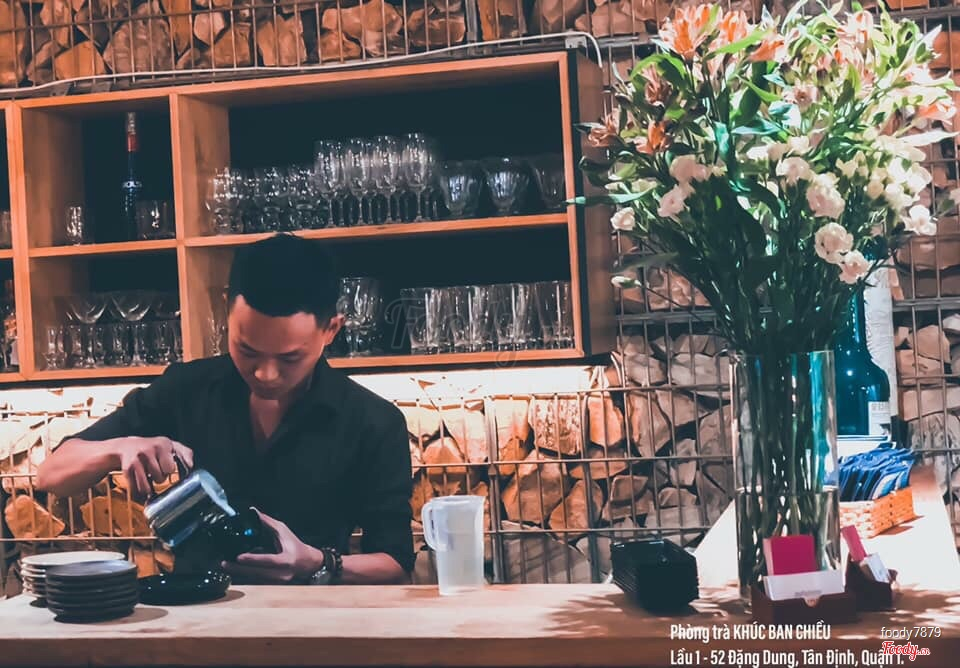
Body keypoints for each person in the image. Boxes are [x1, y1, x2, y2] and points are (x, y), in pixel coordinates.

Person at [36, 234, 414, 585]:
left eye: (289, 358)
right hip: (195, 615)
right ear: (227, 316)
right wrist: (118, 448)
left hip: (310, 618)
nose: (265, 374)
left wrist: (318, 562)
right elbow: (51, 474)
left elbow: (396, 562)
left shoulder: (372, 421)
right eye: (247, 350)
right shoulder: (186, 388)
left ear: (331, 330)